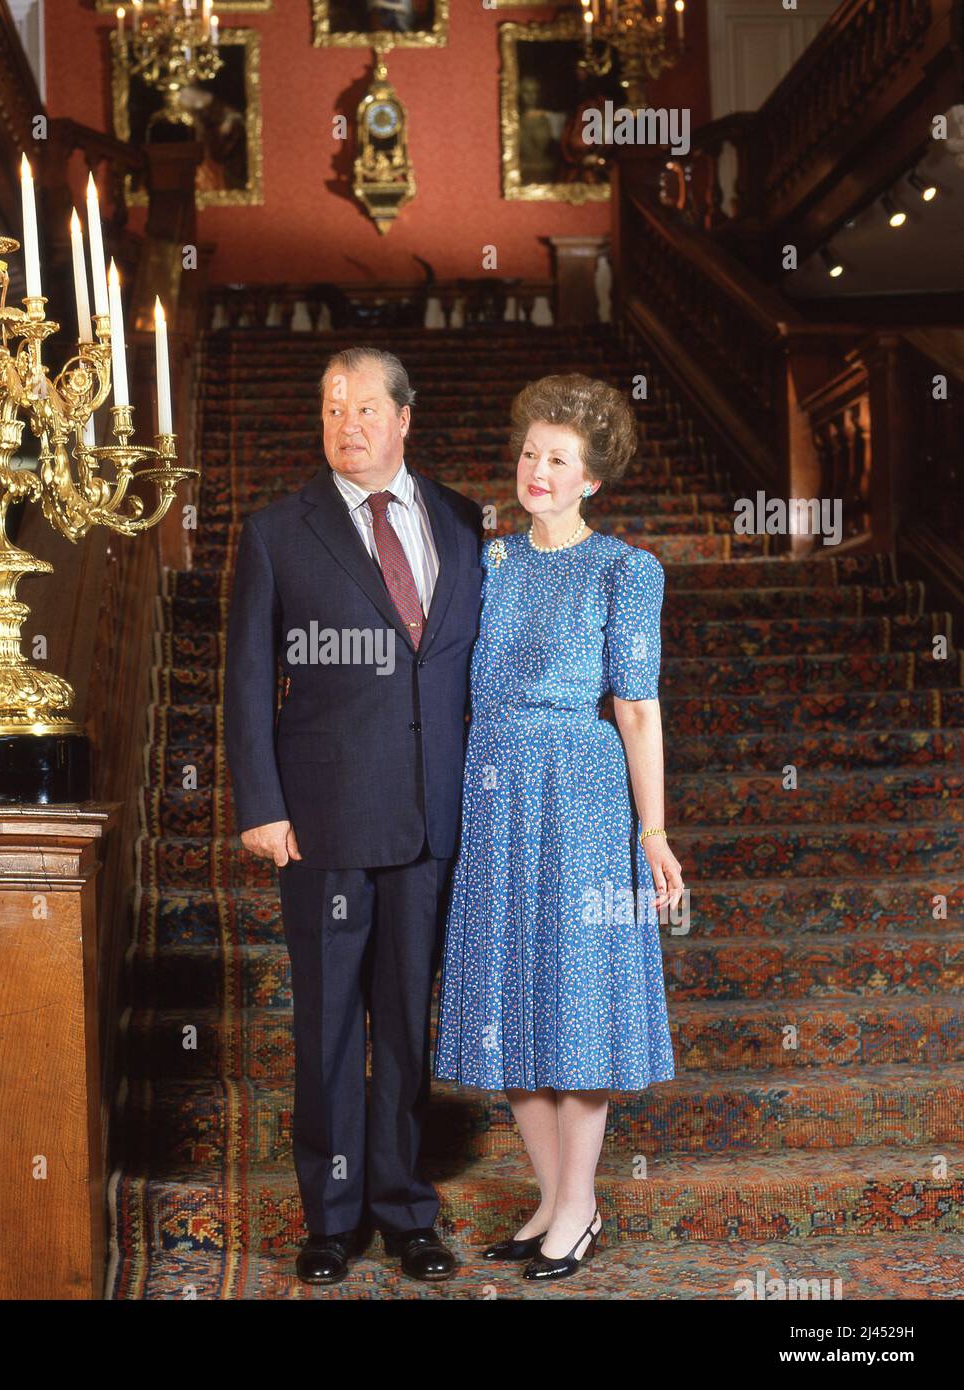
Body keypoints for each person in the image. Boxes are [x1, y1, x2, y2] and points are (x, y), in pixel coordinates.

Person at [224, 347, 484, 1285]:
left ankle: (406, 1209)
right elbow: (249, 676)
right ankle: (331, 1218)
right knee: (331, 1024)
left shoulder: (461, 520)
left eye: (366, 406)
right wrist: (260, 804)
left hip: (429, 821)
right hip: (323, 822)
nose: (348, 424)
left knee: (407, 1023)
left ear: (405, 418)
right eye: (332, 409)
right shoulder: (277, 532)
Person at [433, 373, 683, 1281]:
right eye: (532, 453)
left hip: (579, 793)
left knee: (576, 999)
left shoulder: (626, 569)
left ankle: (579, 1206)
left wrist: (651, 834)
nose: (538, 470)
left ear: (593, 478)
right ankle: (550, 1199)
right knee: (506, 998)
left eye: (560, 460)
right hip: (494, 794)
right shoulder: (487, 560)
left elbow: (638, 710)